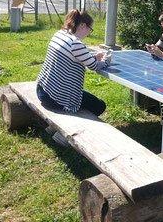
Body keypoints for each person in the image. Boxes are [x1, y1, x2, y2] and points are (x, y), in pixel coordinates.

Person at [36, 10, 110, 144]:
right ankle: (63, 135)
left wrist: (93, 57)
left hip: (42, 89)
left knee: (86, 100)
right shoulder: (75, 43)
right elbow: (94, 67)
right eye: (90, 29)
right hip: (55, 96)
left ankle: (52, 127)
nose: (89, 33)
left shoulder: (59, 34)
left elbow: (75, 58)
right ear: (82, 25)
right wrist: (105, 60)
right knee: (99, 106)